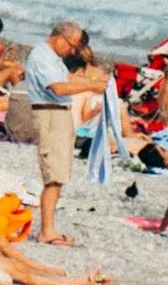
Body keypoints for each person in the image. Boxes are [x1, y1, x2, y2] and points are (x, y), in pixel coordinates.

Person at [23, 21, 107, 246]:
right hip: (50, 115)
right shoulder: (42, 56)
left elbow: (67, 79)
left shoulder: (52, 58)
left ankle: (49, 228)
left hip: (58, 114)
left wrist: (92, 81)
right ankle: (47, 231)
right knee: (54, 176)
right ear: (60, 37)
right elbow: (58, 87)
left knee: (59, 175)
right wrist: (91, 87)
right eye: (72, 45)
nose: (72, 51)